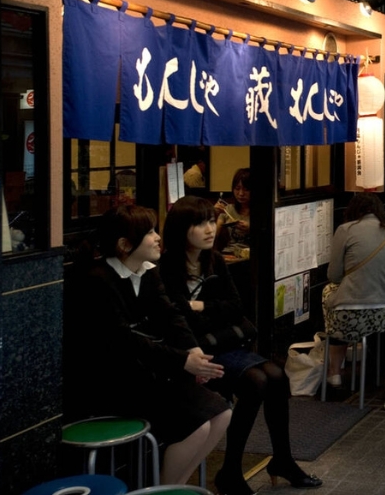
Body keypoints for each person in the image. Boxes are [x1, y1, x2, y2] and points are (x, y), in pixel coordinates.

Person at [160, 197, 322, 494]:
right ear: (181, 228)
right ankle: (232, 471)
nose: (210, 229)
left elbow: (235, 306)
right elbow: (179, 321)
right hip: (194, 353)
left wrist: (200, 306)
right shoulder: (166, 269)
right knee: (257, 381)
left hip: (223, 344)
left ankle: (281, 460)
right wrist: (207, 311)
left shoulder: (216, 260)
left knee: (277, 376)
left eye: (211, 221)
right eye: (200, 223)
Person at [63, 205, 231, 485]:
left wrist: (195, 353)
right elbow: (122, 341)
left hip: (145, 371)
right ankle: (165, 489)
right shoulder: (97, 281)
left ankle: (173, 486)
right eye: (149, 232)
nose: (157, 237)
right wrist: (182, 362)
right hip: (108, 383)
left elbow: (171, 317)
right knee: (196, 427)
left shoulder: (148, 272)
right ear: (124, 245)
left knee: (223, 413)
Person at [323, 193, 385, 393]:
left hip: (348, 319)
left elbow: (333, 275)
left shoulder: (345, 230)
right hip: (384, 318)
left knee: (330, 293)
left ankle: (334, 371)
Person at [215, 167, 251, 251]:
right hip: (229, 253)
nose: (241, 193)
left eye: (246, 190)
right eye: (237, 189)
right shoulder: (228, 209)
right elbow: (213, 236)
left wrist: (250, 228)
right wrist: (213, 213)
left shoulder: (263, 212)